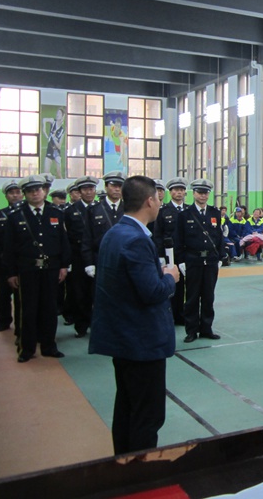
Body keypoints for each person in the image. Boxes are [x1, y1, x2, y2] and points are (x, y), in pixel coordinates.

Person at [88, 175, 180, 455]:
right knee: (147, 415)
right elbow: (152, 292)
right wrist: (170, 277)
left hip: (123, 337)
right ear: (150, 201)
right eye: (158, 199)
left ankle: (124, 466)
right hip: (141, 342)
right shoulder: (136, 240)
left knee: (127, 408)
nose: (160, 204)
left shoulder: (115, 233)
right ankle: (141, 472)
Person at [4, 175, 70, 363]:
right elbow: (9, 248)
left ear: (44, 191)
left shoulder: (56, 213)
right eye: (30, 191)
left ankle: (49, 346)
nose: (35, 193)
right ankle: (27, 348)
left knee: (49, 308)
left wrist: (64, 265)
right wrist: (11, 273)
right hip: (27, 269)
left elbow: (63, 242)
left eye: (38, 189)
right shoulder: (16, 216)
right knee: (28, 309)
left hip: (51, 268)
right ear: (25, 194)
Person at [176, 179, 226, 343]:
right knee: (192, 297)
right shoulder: (184, 214)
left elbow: (219, 236)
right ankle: (191, 330)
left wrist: (221, 256)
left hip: (210, 260)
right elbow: (179, 239)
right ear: (194, 193)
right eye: (199, 192)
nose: (203, 195)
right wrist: (180, 261)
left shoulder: (214, 213)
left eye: (205, 193)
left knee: (208, 296)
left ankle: (206, 328)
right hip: (193, 260)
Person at [65, 175, 99, 338]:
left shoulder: (100, 209)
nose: (89, 192)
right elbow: (66, 237)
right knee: (80, 293)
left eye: (91, 189)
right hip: (78, 257)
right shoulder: (70, 211)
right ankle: (81, 326)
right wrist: (68, 261)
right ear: (79, 192)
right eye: (85, 189)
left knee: (97, 293)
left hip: (96, 255)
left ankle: (96, 324)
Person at [152, 177, 189, 325]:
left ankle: (186, 314)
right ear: (170, 192)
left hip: (188, 254)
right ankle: (174, 315)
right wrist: (160, 255)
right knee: (174, 286)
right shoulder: (163, 211)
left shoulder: (189, 210)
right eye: (176, 190)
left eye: (181, 190)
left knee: (190, 286)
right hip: (171, 255)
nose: (179, 193)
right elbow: (158, 234)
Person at [82, 171, 125, 286]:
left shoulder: (129, 209)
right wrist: (89, 263)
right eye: (113, 186)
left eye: (120, 186)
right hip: (101, 259)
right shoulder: (94, 209)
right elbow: (87, 238)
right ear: (106, 187)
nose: (117, 189)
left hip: (124, 259)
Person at [0, 180, 22, 334]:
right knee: (3, 293)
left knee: (21, 296)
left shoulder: (26, 214)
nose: (15, 195)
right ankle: (3, 321)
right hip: (1, 263)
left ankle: (21, 324)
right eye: (11, 193)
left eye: (18, 192)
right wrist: (2, 253)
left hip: (20, 263)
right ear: (6, 196)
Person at [43, 107, 65, 177]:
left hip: (56, 152)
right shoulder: (53, 122)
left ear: (62, 116)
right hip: (49, 150)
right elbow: (44, 119)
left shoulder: (62, 131)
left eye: (59, 113)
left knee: (59, 173)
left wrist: (54, 138)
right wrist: (44, 130)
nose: (57, 114)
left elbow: (59, 146)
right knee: (46, 172)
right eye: (57, 113)